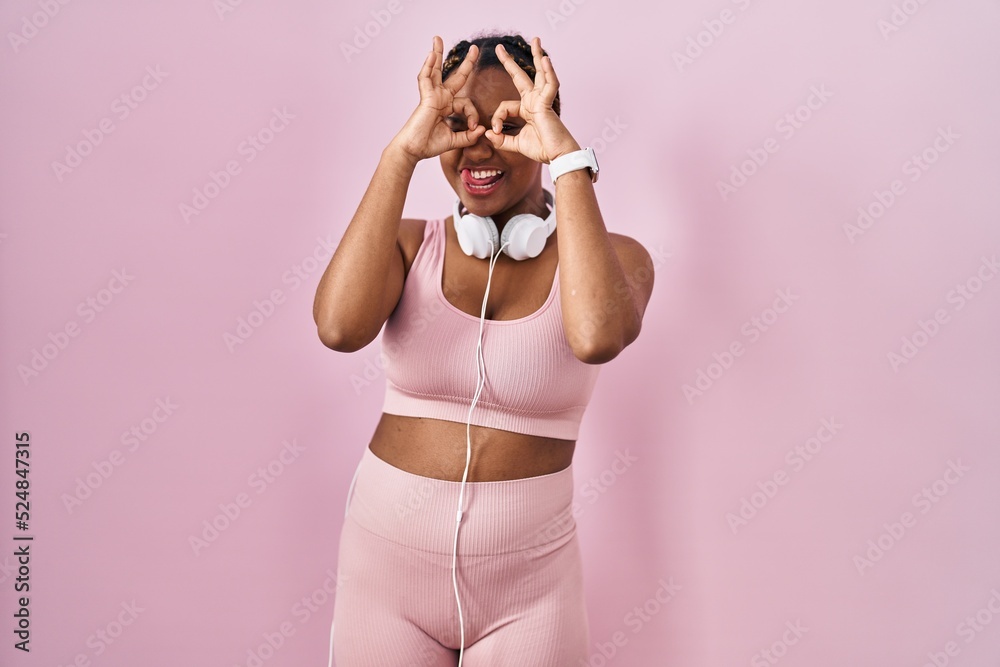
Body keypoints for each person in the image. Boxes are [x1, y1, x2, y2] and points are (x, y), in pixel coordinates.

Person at [313, 30, 654, 666]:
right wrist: (400, 155)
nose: (479, 147)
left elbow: (597, 336)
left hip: (528, 594)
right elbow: (337, 328)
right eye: (459, 122)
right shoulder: (410, 246)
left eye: (507, 125)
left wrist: (568, 164)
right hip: (384, 578)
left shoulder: (619, 259)